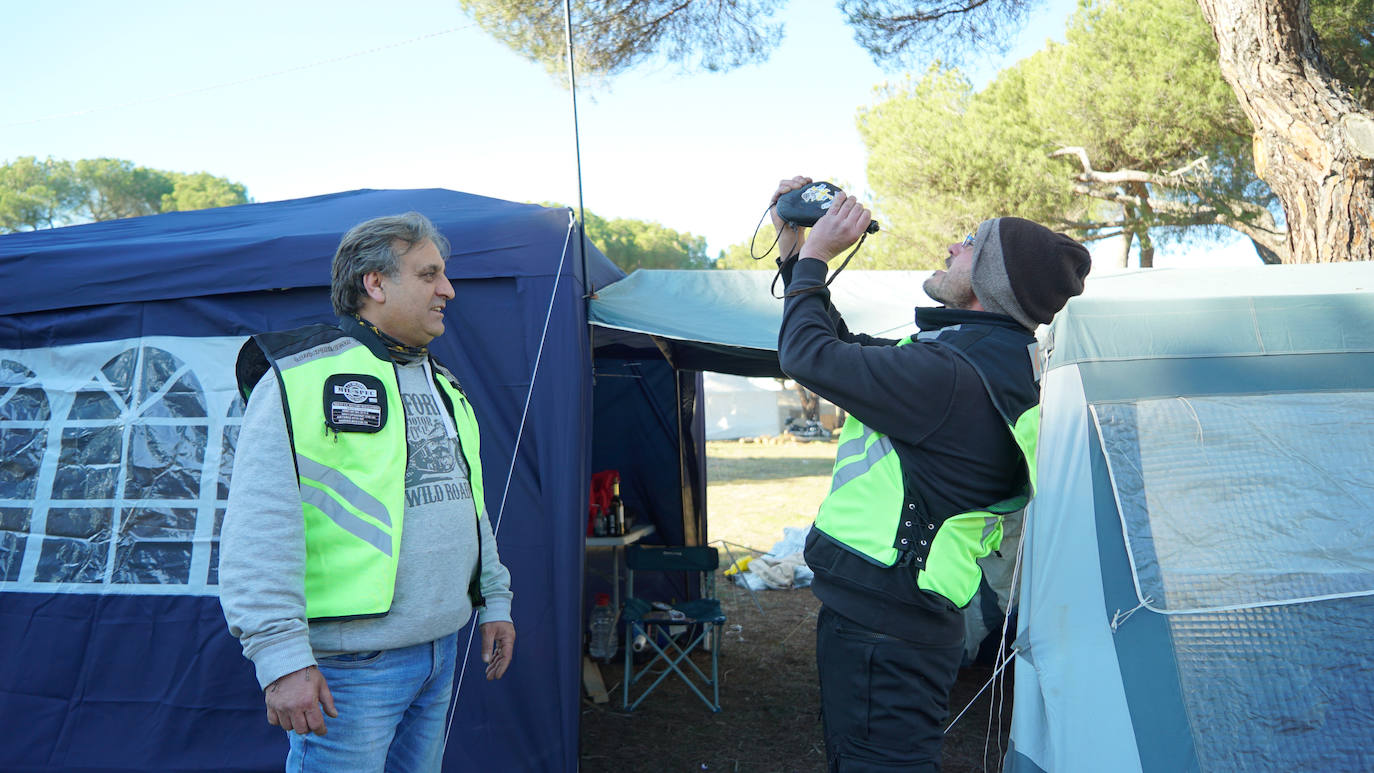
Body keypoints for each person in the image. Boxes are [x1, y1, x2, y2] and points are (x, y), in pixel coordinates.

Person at [769, 177, 1089, 771]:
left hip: (887, 626)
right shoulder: (968, 363)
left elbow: (806, 355)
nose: (951, 247)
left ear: (993, 282)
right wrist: (794, 249)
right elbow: (836, 349)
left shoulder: (948, 376)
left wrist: (816, 257)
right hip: (894, 618)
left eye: (969, 242)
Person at [220, 212, 516, 772]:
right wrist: (281, 659)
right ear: (374, 284)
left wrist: (493, 598)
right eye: (429, 275)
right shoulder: (298, 378)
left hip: (440, 649)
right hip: (350, 668)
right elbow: (258, 529)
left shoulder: (444, 384)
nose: (448, 290)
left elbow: (468, 504)